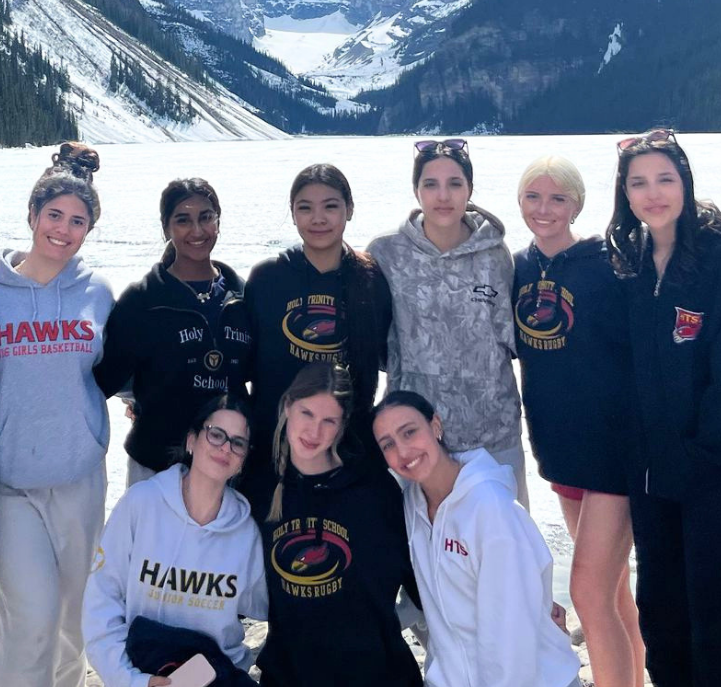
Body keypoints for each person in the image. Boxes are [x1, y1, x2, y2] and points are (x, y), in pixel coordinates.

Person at [606, 128, 721, 687]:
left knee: (718, 629)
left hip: (715, 476)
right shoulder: (628, 262)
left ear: (685, 183)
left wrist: (707, 453)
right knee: (666, 629)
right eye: (638, 182)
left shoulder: (720, 260)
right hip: (651, 479)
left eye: (664, 179)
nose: (652, 193)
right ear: (625, 192)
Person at [513, 156, 656, 687]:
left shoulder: (608, 263)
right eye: (533, 197)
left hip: (615, 451)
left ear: (577, 205)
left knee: (590, 593)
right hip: (561, 453)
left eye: (557, 198)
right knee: (614, 590)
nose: (544, 209)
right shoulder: (517, 268)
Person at [372, 390, 583, 687]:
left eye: (410, 432)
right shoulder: (411, 504)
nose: (403, 451)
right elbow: (428, 590)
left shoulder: (491, 510)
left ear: (435, 425)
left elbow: (509, 639)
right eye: (388, 443)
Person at [0, 142, 113, 687]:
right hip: (10, 486)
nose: (64, 231)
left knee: (73, 628)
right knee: (30, 625)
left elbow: (117, 366)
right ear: (33, 215)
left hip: (78, 480)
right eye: (54, 216)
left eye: (78, 221)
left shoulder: (96, 292)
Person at [250, 363, 422, 687]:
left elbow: (430, 582)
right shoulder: (259, 490)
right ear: (287, 407)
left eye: (329, 421)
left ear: (343, 427)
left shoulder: (375, 492)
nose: (314, 432)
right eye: (307, 414)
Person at [82, 395, 269, 687]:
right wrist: (135, 684)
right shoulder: (141, 505)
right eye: (216, 434)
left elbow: (278, 610)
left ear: (243, 459)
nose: (225, 447)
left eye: (238, 442)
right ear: (191, 440)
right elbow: (101, 605)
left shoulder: (245, 532)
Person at [367, 138, 528, 508]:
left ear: (470, 189)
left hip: (491, 435)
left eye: (455, 183)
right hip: (415, 438)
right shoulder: (387, 254)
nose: (443, 196)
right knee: (421, 552)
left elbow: (512, 339)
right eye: (430, 184)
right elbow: (376, 341)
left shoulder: (494, 255)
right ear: (416, 190)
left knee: (503, 551)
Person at [95, 178, 252, 486]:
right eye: (183, 220)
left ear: (218, 221)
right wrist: (139, 399)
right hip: (157, 468)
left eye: (206, 217)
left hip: (228, 466)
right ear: (166, 228)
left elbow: (255, 373)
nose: (197, 231)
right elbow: (105, 379)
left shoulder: (242, 298)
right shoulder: (143, 301)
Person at [244, 164, 391, 469]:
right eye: (305, 208)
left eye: (331, 206)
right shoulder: (267, 279)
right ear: (293, 212)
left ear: (349, 209)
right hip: (274, 453)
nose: (318, 218)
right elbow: (242, 361)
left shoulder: (370, 279)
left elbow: (385, 356)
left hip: (348, 452)